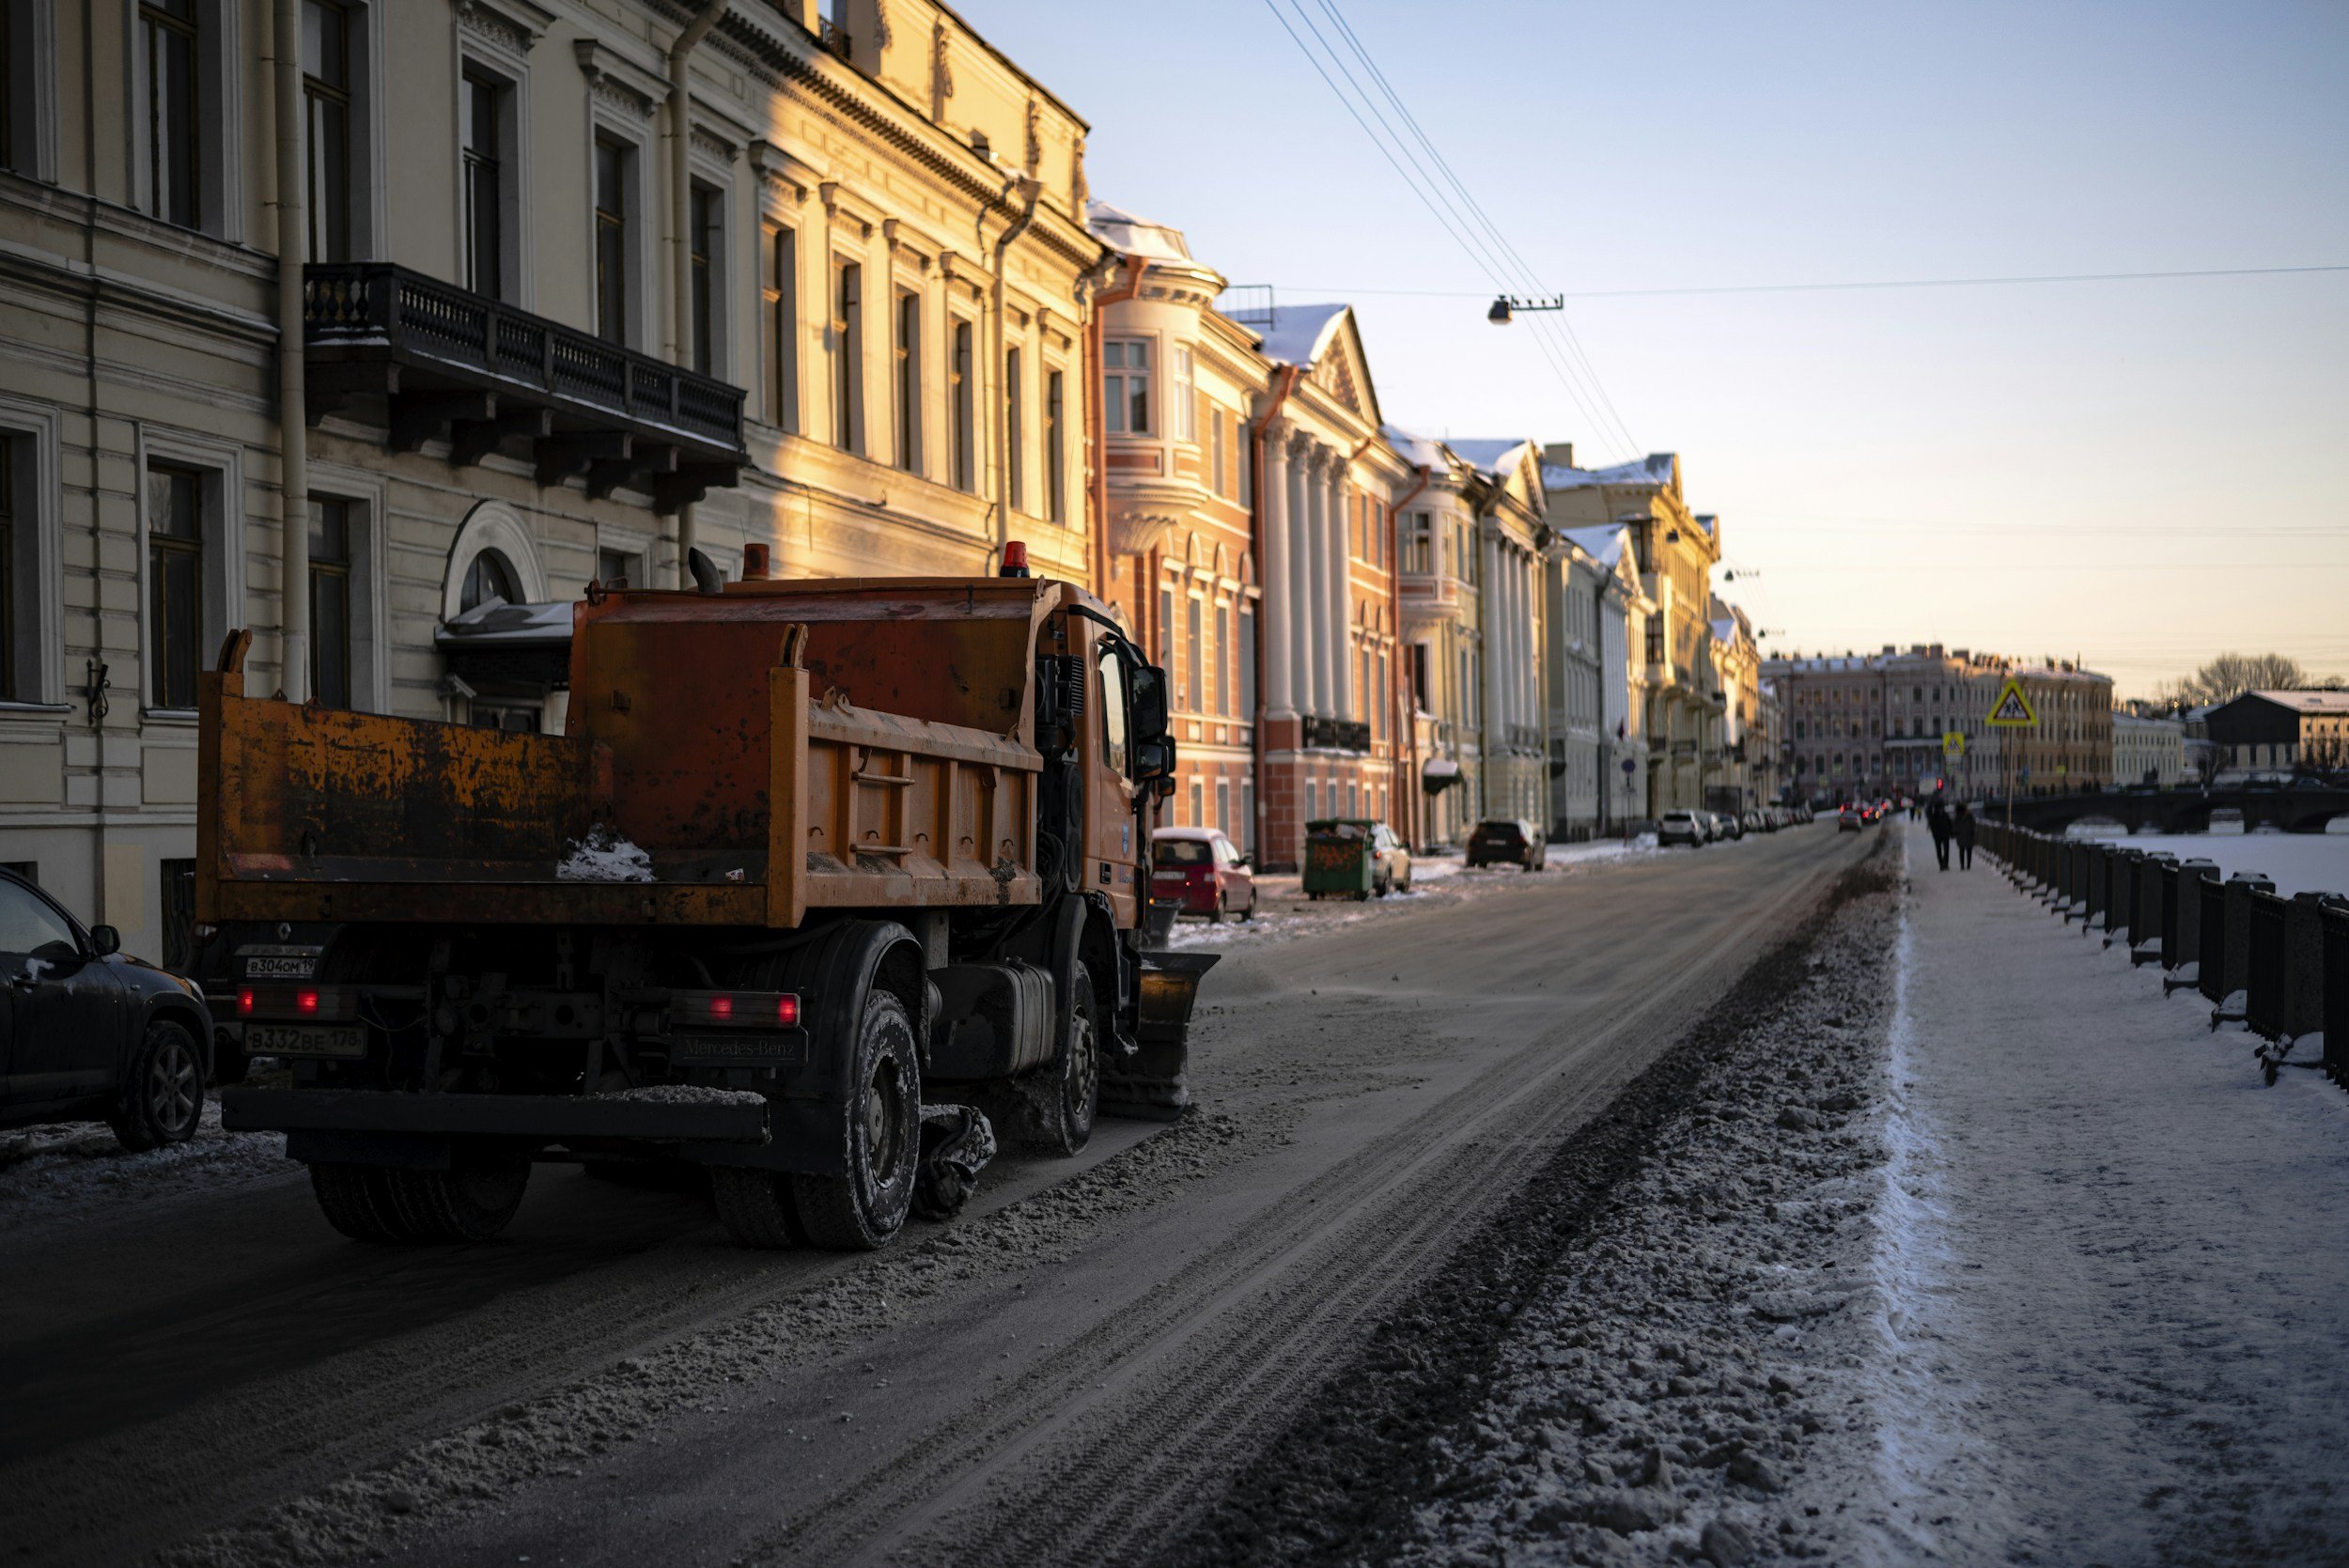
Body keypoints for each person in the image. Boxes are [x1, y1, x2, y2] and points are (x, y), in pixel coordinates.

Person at [1926, 798, 1952, 871]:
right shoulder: (1934, 817)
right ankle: (1941, 864)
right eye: (1940, 808)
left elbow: (1950, 824)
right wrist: (1935, 833)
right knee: (1939, 850)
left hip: (1945, 835)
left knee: (1946, 850)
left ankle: (1945, 863)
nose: (1941, 809)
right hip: (1938, 835)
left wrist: (1951, 832)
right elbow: (1932, 826)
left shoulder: (1945, 815)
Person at [1953, 801, 1976, 870]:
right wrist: (1973, 831)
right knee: (1968, 851)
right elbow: (1973, 824)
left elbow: (1954, 826)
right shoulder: (1969, 816)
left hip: (1961, 836)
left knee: (1962, 851)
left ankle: (1962, 865)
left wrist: (1955, 832)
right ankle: (1968, 865)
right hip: (1968, 835)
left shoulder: (1957, 816)